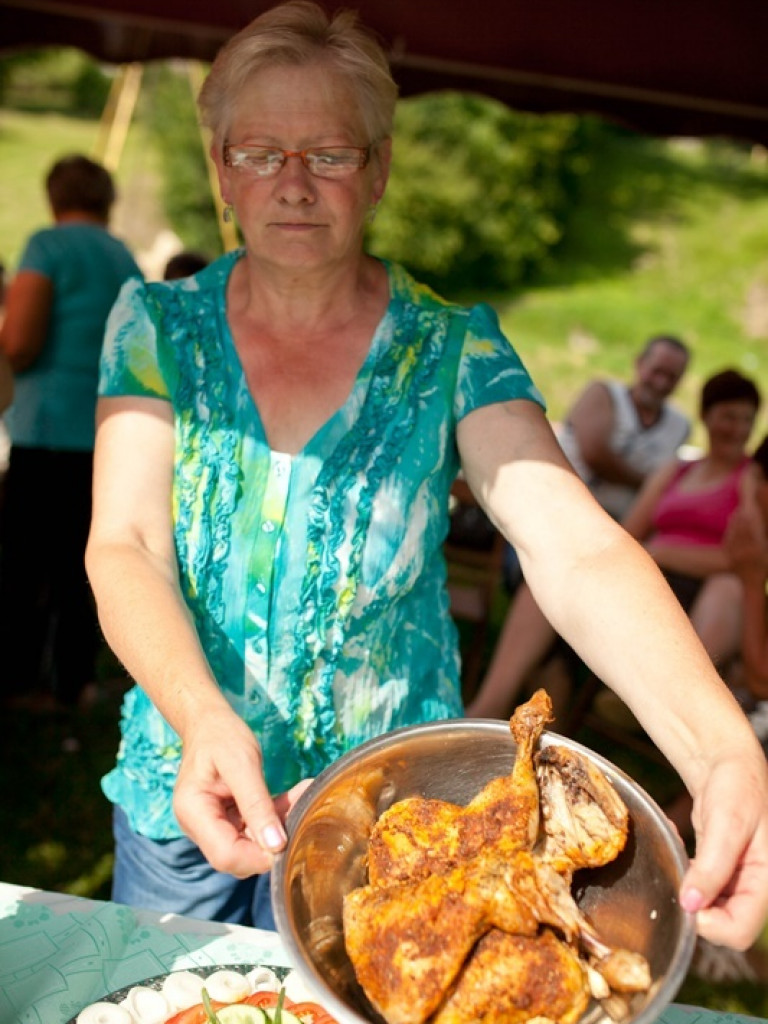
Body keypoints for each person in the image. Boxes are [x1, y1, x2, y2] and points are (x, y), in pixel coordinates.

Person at [84, 0, 768, 949]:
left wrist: (720, 748)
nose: (292, 183)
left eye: (327, 153)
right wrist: (201, 714)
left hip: (388, 814)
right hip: (184, 788)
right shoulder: (153, 325)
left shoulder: (451, 348)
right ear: (221, 170)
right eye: (259, 153)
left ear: (378, 170)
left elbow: (571, 549)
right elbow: (126, 543)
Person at [467, 334, 690, 721]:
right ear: (640, 364)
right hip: (547, 523)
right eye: (657, 369)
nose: (661, 380)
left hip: (608, 543)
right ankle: (510, 713)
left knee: (577, 593)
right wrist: (649, 484)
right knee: (558, 575)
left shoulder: (679, 426)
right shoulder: (603, 394)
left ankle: (506, 715)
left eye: (672, 375)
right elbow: (594, 452)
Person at [0, 154, 142, 713]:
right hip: (106, 433)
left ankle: (17, 683)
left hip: (46, 427)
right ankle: (76, 683)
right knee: (83, 569)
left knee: (24, 567)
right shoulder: (123, 256)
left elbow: (21, 344)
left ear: (54, 196)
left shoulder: (47, 247)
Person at [623, 368, 762, 673]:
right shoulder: (678, 470)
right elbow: (628, 535)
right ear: (706, 415)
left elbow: (746, 559)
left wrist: (661, 553)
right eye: (729, 417)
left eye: (747, 420)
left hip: (704, 586)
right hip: (651, 577)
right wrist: (647, 556)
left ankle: (678, 684)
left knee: (729, 586)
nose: (738, 429)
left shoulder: (751, 478)